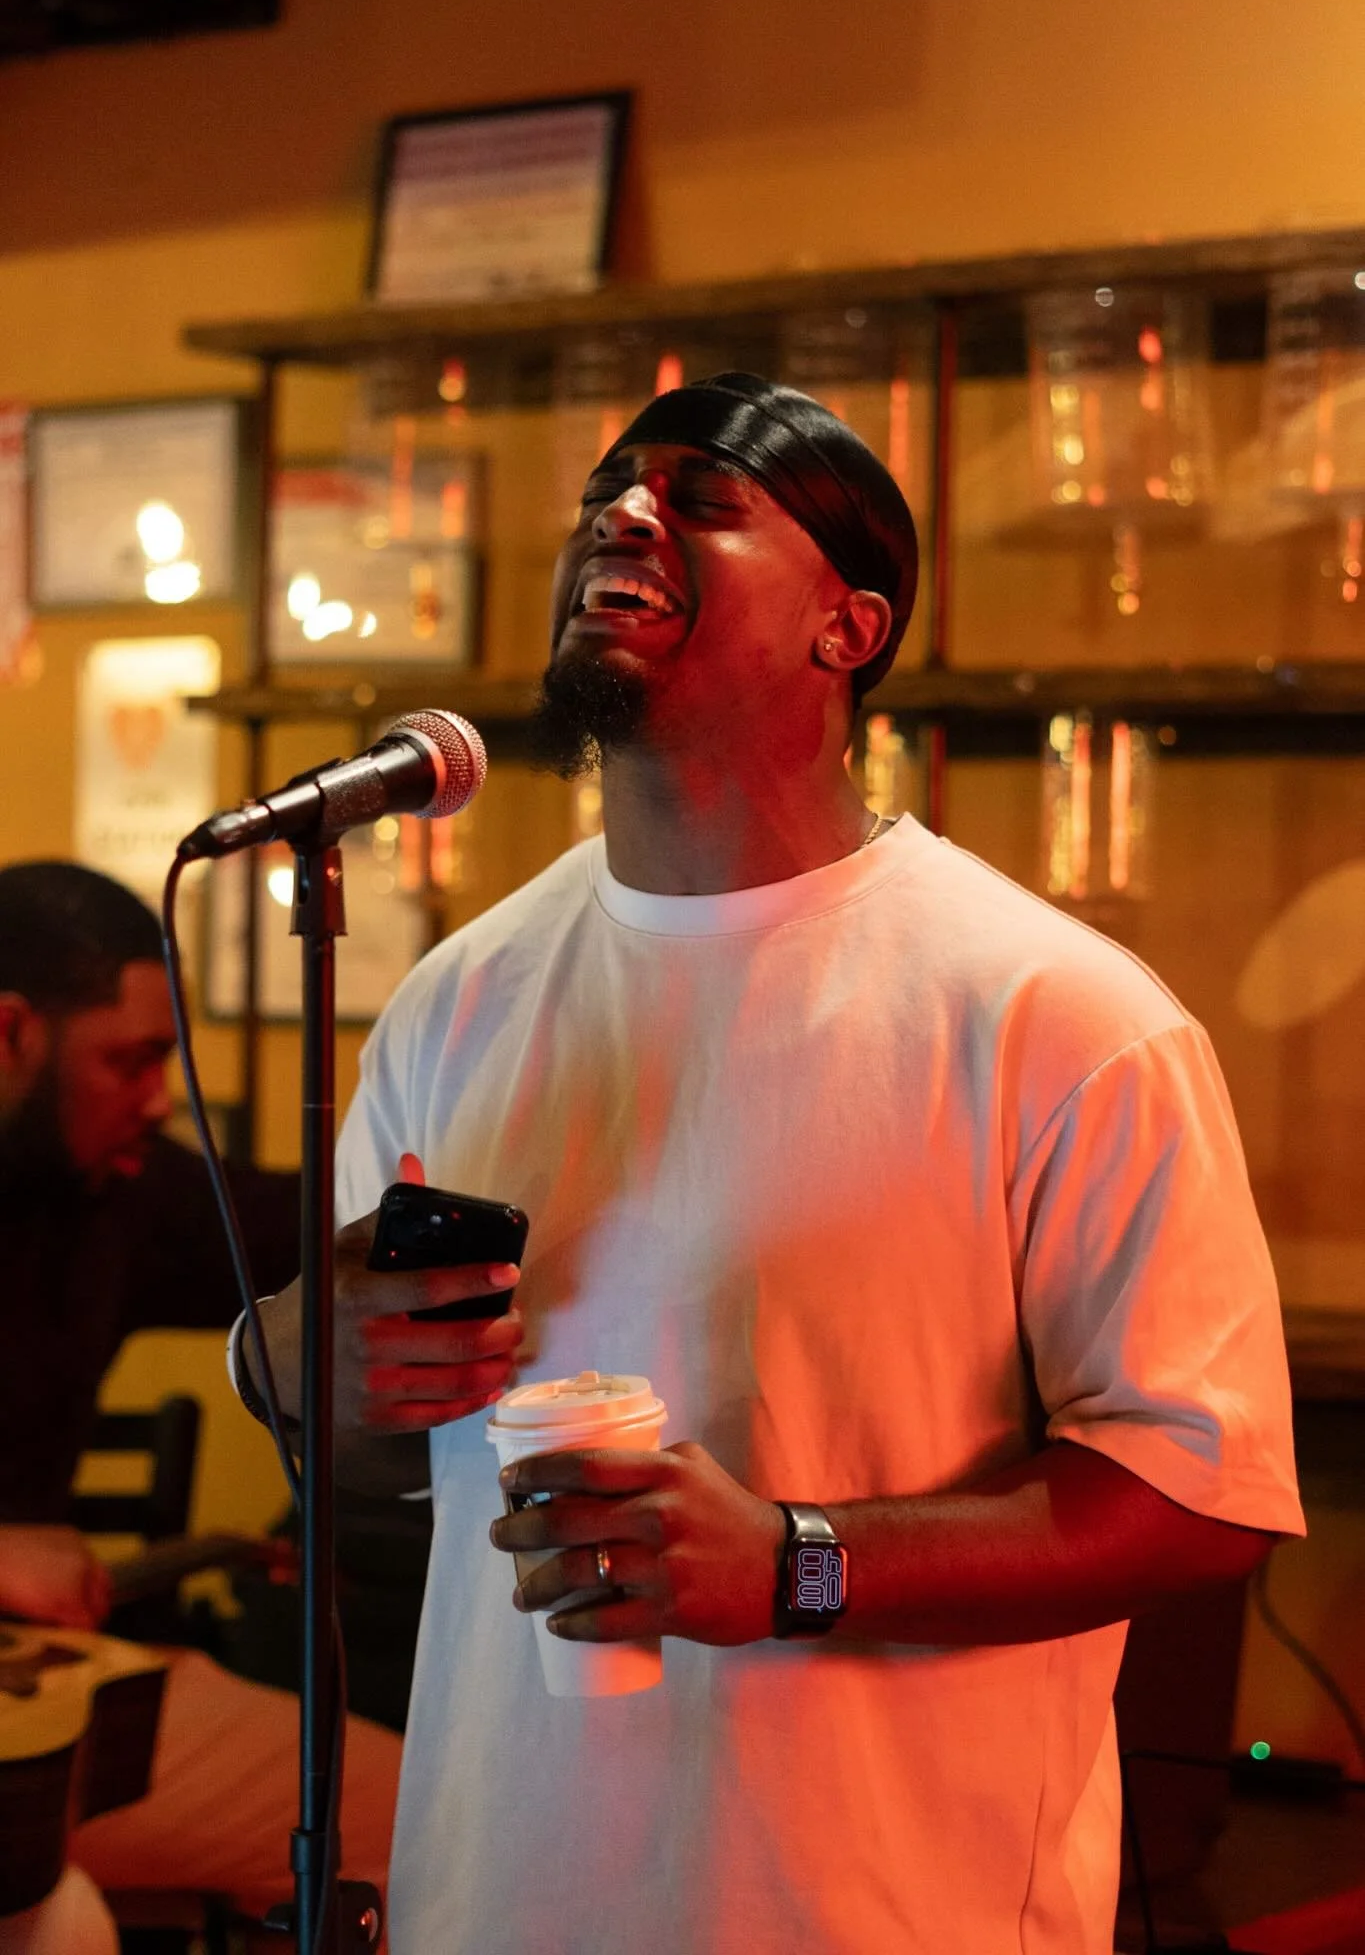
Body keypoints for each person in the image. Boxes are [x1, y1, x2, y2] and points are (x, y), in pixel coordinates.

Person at [243, 373, 1304, 1954]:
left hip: (880, 1910)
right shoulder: (457, 998)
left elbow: (1199, 1499)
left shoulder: (1054, 1019)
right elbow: (375, 1458)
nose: (623, 514)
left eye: (704, 499)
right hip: (499, 1895)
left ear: (848, 629)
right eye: (610, 490)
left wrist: (800, 1565)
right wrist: (305, 1363)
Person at [0, 861, 402, 1939]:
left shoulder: (105, 1194)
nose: (156, 1096)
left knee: (404, 1802)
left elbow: (309, 1227)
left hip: (44, 1701)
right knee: (405, 1822)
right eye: (127, 1062)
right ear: (9, 1033)